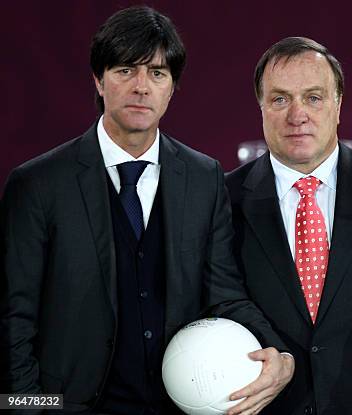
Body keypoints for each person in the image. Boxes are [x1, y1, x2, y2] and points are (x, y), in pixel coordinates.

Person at [0, 6, 293, 414]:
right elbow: (13, 318)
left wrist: (278, 351)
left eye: (157, 73)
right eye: (125, 70)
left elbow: (225, 294)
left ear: (172, 88)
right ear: (98, 81)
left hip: (176, 406)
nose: (142, 86)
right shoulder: (38, 184)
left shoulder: (203, 176)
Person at [225, 36, 352, 414]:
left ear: (339, 105)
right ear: (260, 107)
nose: (297, 114)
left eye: (314, 97)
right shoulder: (223, 200)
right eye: (279, 99)